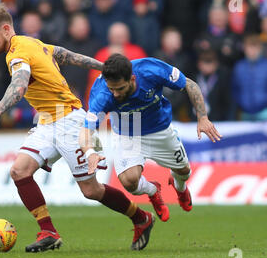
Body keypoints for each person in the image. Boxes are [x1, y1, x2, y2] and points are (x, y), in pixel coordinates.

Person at [0, 4, 157, 252]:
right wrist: (102, 66)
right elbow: (63, 54)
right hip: (47, 122)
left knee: (91, 190)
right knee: (19, 171)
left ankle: (141, 218)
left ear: (6, 29)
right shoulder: (32, 43)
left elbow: (18, 87)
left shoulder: (17, 54)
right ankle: (48, 231)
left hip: (69, 122)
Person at [79, 53, 222, 220]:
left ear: (132, 79)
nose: (115, 94)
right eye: (112, 89)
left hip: (159, 128)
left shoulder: (151, 70)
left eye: (120, 89)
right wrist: (90, 153)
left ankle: (180, 188)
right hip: (128, 132)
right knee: (129, 182)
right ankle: (153, 190)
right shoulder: (102, 94)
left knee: (184, 171)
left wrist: (202, 117)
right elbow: (86, 130)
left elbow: (189, 84)